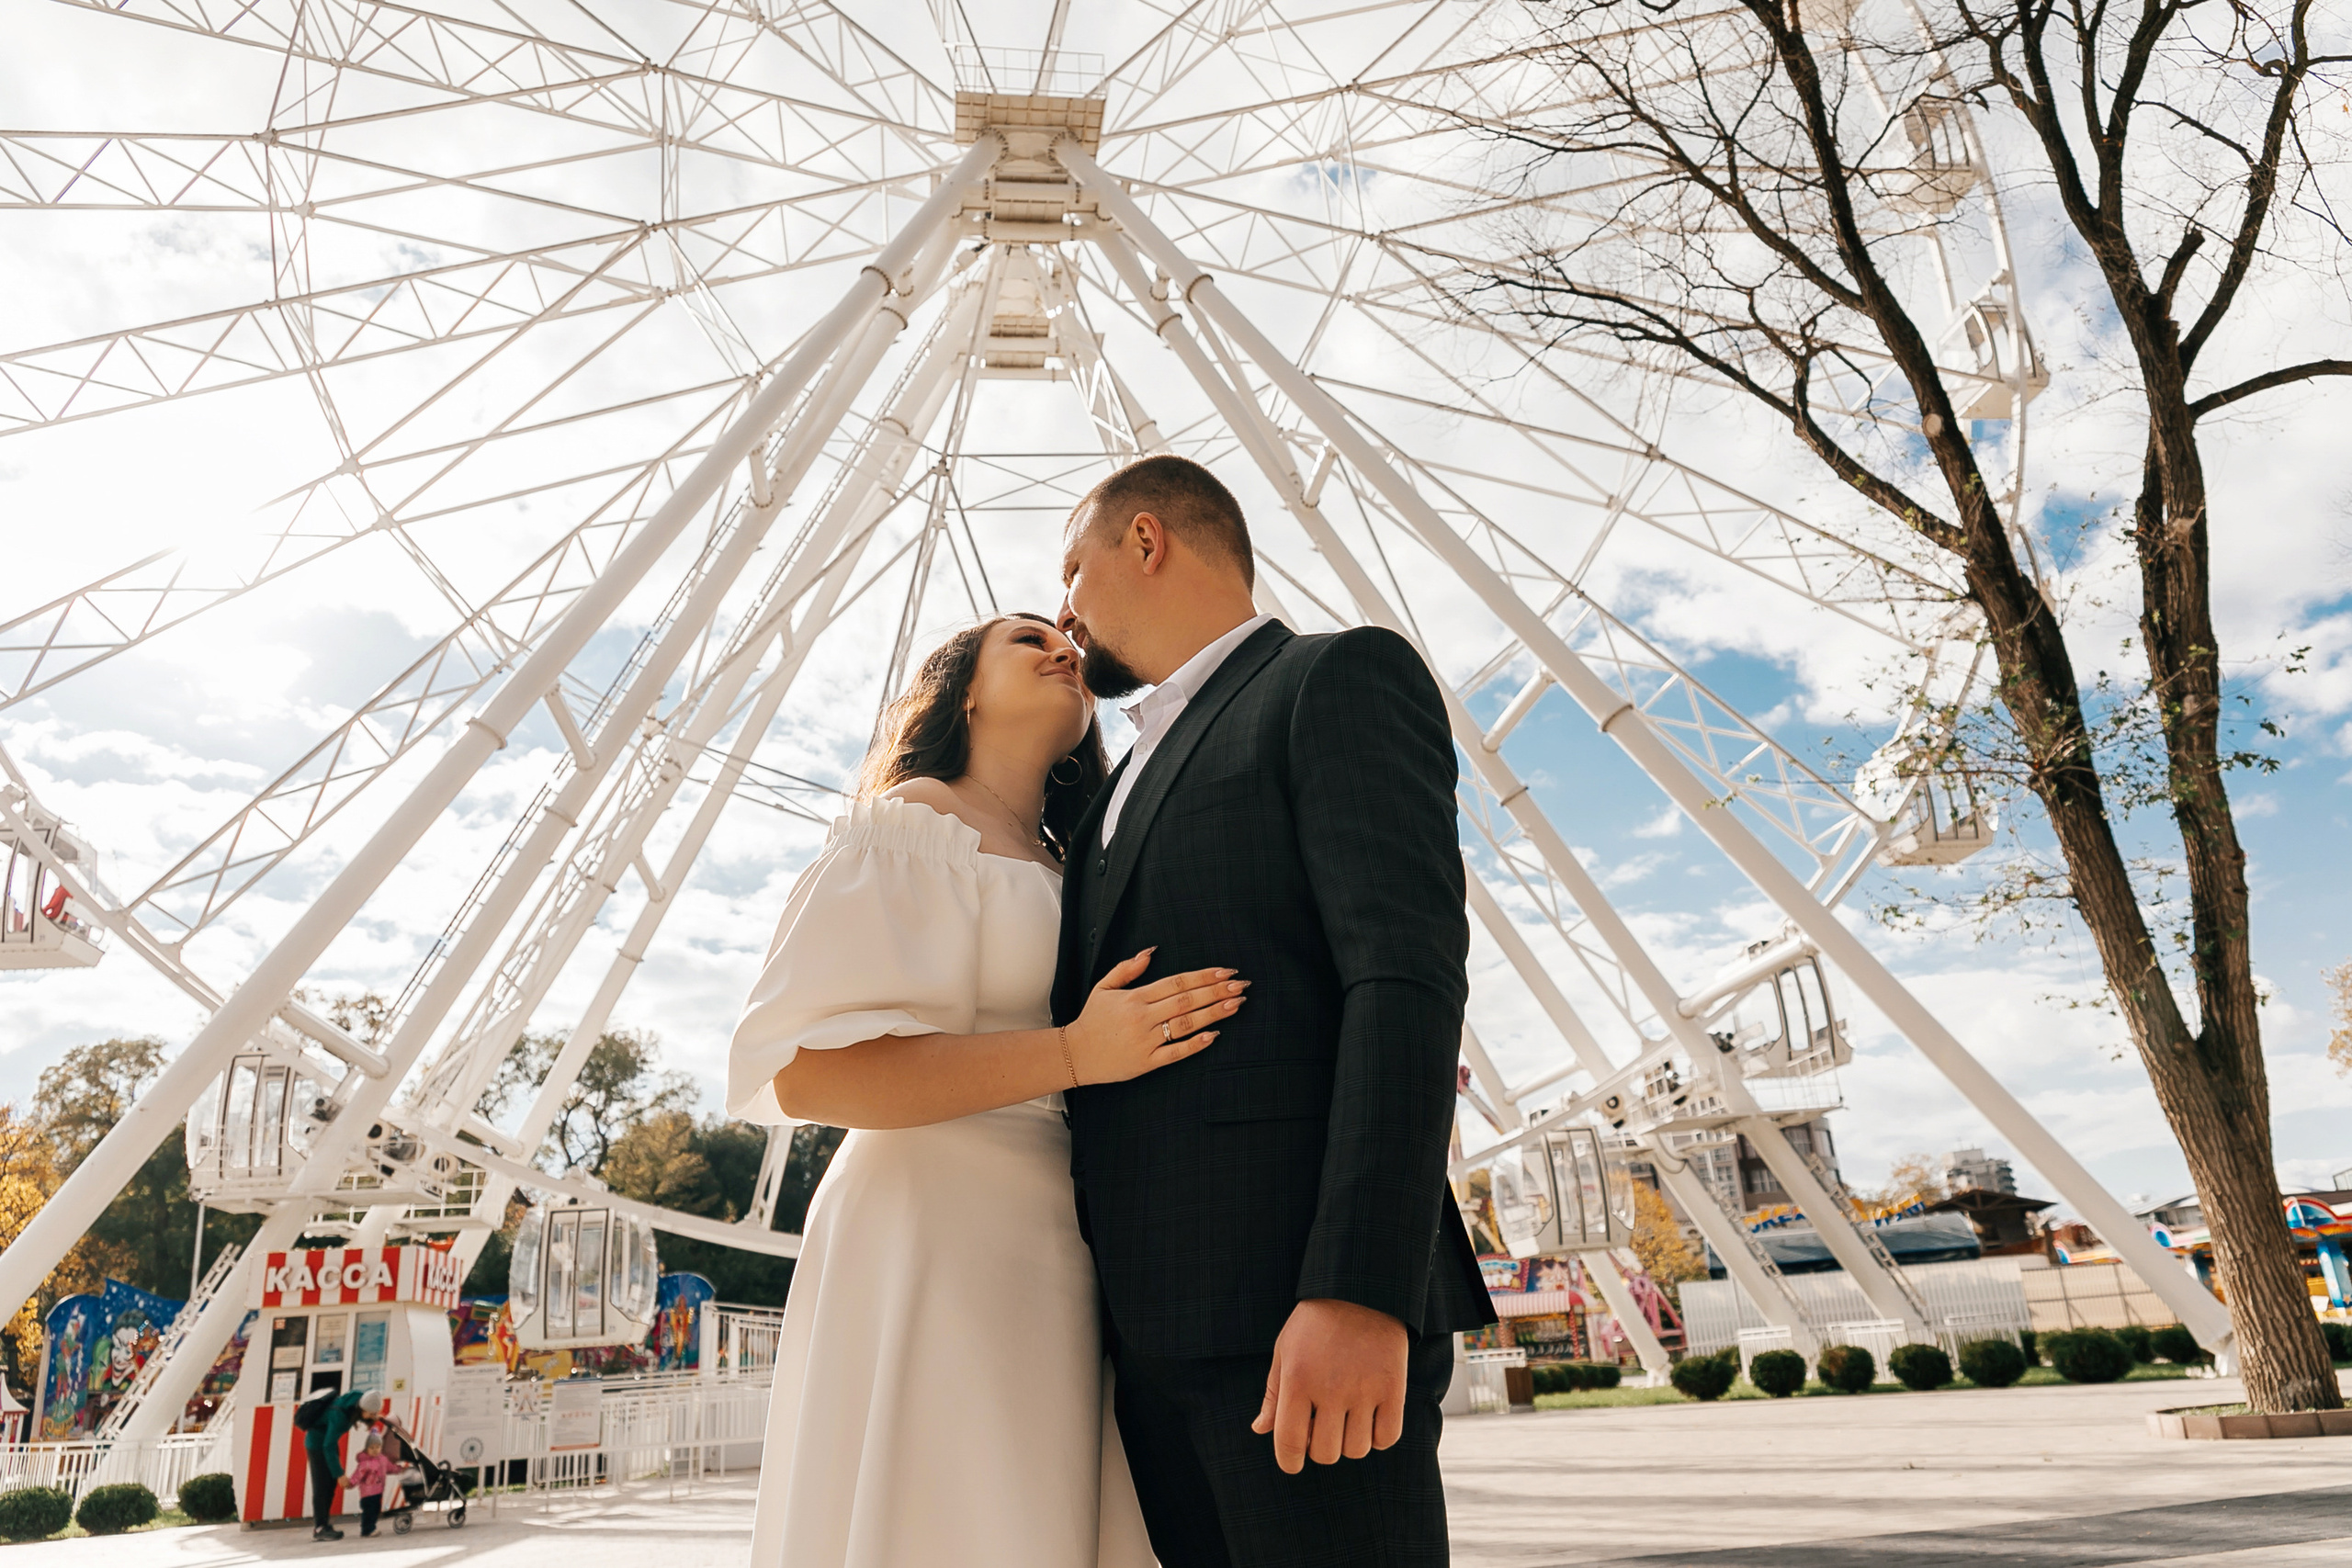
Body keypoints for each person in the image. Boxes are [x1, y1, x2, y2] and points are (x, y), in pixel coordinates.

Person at [728, 611, 1248, 1567]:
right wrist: (1076, 1055)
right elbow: (808, 1072)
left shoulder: (1074, 859)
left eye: (1071, 646)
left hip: (1068, 1225)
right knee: (965, 1503)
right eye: (1025, 640)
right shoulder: (912, 822)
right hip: (938, 1219)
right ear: (963, 689)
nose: (1065, 650)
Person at [1053, 455, 1496, 1567]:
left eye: (1072, 568)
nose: (1062, 613)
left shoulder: (1332, 679)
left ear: (1144, 540)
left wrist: (1358, 1288)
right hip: (1147, 1341)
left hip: (1297, 1312)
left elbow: (1404, 977)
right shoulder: (1112, 787)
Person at [300, 1386, 382, 1541]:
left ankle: (324, 1524)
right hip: (317, 1445)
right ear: (362, 1409)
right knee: (322, 1486)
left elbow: (364, 1409)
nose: (372, 1417)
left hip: (327, 1443)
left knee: (330, 1485)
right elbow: (328, 1446)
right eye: (371, 1414)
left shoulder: (358, 1398)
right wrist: (339, 1474)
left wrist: (373, 1415)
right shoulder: (340, 1417)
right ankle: (320, 1529)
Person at [345, 1431, 418, 1536]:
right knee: (369, 1512)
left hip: (378, 1491)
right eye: (372, 1448)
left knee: (375, 1511)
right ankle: (367, 1530)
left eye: (378, 1447)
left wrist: (400, 1469)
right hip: (367, 1494)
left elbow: (391, 1468)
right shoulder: (365, 1463)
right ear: (367, 1448)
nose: (375, 1450)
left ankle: (370, 1528)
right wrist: (351, 1483)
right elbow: (357, 1476)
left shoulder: (382, 1459)